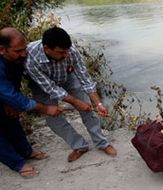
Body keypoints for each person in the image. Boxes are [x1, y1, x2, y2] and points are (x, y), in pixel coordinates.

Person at [24, 27, 117, 162]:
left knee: (88, 111)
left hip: (67, 77)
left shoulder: (70, 50)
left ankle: (102, 143)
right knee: (52, 119)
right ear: (47, 49)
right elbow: (50, 88)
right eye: (61, 52)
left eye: (67, 51)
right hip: (42, 86)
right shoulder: (31, 58)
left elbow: (85, 78)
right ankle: (79, 146)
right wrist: (76, 102)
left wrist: (98, 103)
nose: (66, 55)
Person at [0, 27, 63, 177]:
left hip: (4, 94)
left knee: (11, 120)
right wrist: (45, 108)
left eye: (24, 49)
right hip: (4, 92)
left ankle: (26, 151)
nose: (23, 54)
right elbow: (7, 92)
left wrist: (8, 103)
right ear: (2, 49)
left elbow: (8, 88)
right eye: (18, 51)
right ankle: (17, 163)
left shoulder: (13, 58)